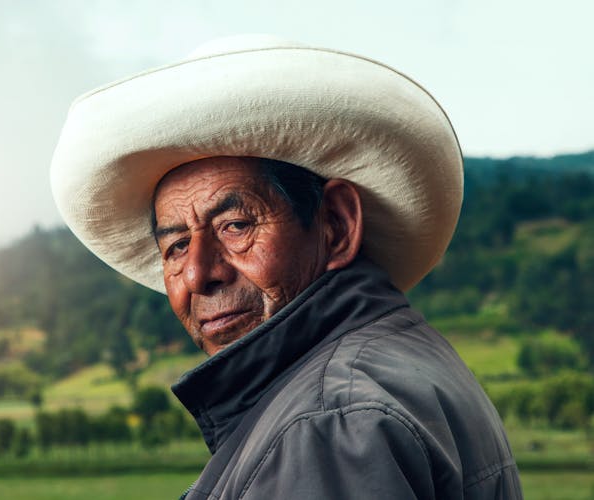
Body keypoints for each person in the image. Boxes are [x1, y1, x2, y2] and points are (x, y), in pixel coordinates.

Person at [50, 35, 522, 499]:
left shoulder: (330, 422)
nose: (197, 275)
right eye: (175, 246)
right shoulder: (383, 367)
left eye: (235, 225)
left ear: (335, 225)